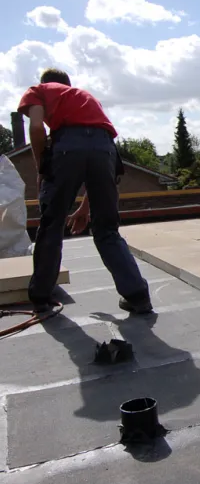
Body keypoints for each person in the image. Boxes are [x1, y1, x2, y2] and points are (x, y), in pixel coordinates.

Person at [17, 68, 153, 314]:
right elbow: (95, 152)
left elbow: (37, 128)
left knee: (52, 225)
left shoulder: (39, 91)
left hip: (66, 146)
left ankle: (41, 297)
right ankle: (137, 296)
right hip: (106, 149)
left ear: (45, 84)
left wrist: (41, 169)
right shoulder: (86, 98)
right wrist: (85, 208)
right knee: (107, 229)